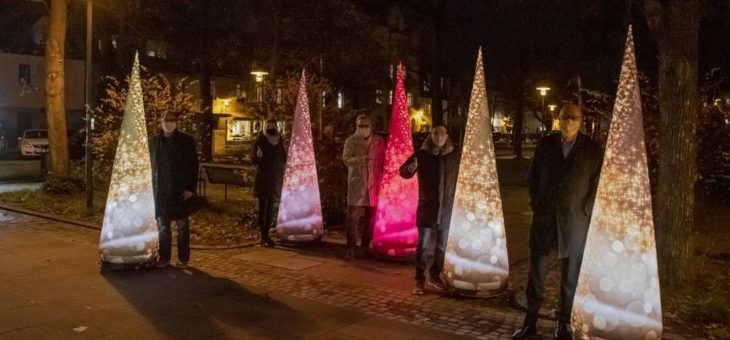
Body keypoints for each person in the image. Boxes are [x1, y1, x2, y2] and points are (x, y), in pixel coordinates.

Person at [513, 104, 603, 340]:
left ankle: (563, 323)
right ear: (558, 120)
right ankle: (530, 321)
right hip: (545, 220)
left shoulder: (593, 150)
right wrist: (537, 203)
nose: (569, 122)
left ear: (581, 120)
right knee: (536, 275)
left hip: (574, 222)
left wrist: (585, 209)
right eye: (565, 118)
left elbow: (598, 185)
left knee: (569, 278)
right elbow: (533, 178)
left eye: (574, 118)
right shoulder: (545, 145)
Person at [399, 123, 461, 295]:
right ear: (431, 135)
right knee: (423, 245)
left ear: (447, 135)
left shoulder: (454, 156)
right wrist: (409, 170)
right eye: (436, 133)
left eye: (442, 133)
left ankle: (435, 275)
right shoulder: (422, 155)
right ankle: (419, 280)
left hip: (446, 208)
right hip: (427, 206)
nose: (439, 136)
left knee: (441, 246)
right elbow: (403, 171)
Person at [150, 112, 199, 269]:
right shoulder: (154, 141)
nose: (169, 123)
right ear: (161, 122)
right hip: (162, 190)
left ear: (177, 122)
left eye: (172, 121)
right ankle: (165, 257)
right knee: (163, 225)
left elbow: (193, 165)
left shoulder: (186, 141)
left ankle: (183, 258)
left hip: (180, 190)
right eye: (166, 121)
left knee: (182, 225)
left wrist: (190, 188)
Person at [342, 114, 386, 260]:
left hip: (374, 185)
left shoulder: (378, 141)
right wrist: (363, 160)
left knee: (371, 219)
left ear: (371, 126)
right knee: (352, 219)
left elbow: (383, 160)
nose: (363, 128)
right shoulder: (351, 141)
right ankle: (351, 248)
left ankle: (365, 247)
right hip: (357, 184)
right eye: (360, 125)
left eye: (366, 125)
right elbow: (346, 159)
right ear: (356, 126)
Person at [252, 118, 287, 248]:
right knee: (263, 207)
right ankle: (263, 236)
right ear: (265, 126)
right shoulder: (260, 140)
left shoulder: (278, 140)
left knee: (271, 207)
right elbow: (253, 159)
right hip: (263, 178)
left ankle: (267, 235)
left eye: (273, 125)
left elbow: (283, 157)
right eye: (269, 125)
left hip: (274, 178)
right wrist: (258, 156)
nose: (271, 128)